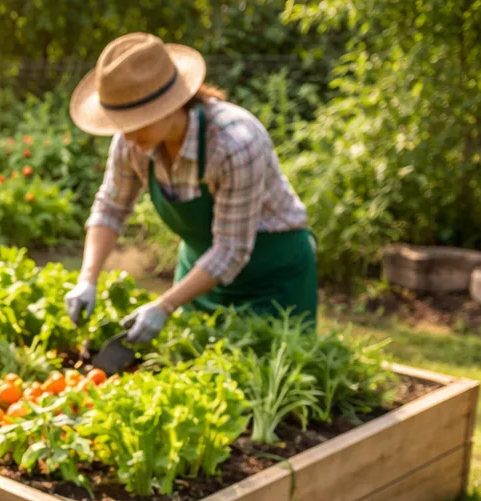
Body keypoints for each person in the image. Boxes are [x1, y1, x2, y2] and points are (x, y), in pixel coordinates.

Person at [64, 33, 316, 346]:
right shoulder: (132, 143)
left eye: (135, 121)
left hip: (273, 277)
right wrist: (87, 278)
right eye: (120, 122)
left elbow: (231, 249)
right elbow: (110, 208)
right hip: (200, 275)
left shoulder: (235, 143)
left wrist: (165, 304)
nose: (126, 135)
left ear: (171, 105)